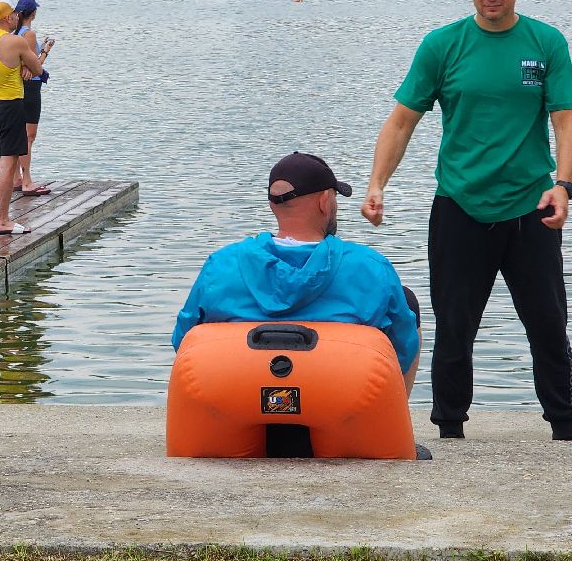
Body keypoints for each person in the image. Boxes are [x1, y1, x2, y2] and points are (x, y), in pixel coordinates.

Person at [361, 0, 572, 442]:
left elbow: (566, 122)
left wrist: (564, 186)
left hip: (532, 205)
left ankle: (565, 424)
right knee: (455, 326)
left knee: (548, 322)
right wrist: (377, 183)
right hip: (459, 206)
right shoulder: (442, 46)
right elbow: (401, 122)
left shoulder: (546, 43)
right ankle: (450, 428)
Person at [172, 152, 421, 396]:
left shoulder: (221, 265)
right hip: (342, 405)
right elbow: (403, 347)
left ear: (272, 205)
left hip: (240, 401)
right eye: (334, 197)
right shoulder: (370, 266)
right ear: (325, 201)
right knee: (406, 302)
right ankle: (397, 431)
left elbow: (183, 339)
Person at [0, 0, 43, 236]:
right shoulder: (15, 41)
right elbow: (38, 70)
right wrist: (24, 62)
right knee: (8, 164)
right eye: (12, 14)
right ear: (7, 19)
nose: (16, 17)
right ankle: (3, 220)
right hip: (11, 106)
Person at [11, 0, 55, 196]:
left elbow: (25, 64)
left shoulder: (15, 32)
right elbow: (35, 67)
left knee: (22, 135)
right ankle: (26, 180)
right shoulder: (29, 34)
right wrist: (46, 49)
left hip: (20, 88)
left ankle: (17, 178)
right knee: (29, 136)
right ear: (33, 13)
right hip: (31, 89)